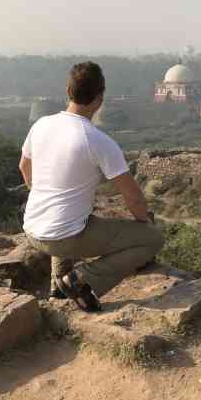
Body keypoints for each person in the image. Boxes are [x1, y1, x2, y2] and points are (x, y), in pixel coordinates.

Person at [19, 61, 163, 312]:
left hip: (32, 229)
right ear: (100, 99)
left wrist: (45, 196)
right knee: (152, 240)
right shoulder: (97, 140)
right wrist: (145, 223)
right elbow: (134, 198)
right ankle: (81, 280)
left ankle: (58, 287)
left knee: (70, 218)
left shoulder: (41, 124)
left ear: (68, 91)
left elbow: (24, 168)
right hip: (65, 237)